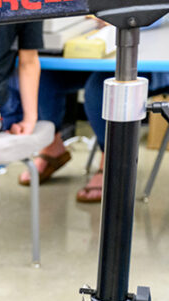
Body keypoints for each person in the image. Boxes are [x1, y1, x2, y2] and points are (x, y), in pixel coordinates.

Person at [18, 18, 169, 202]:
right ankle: (53, 146)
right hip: (96, 42)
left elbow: (156, 13)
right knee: (44, 78)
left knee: (101, 89)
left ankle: (111, 162)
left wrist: (113, 17)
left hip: (146, 51)